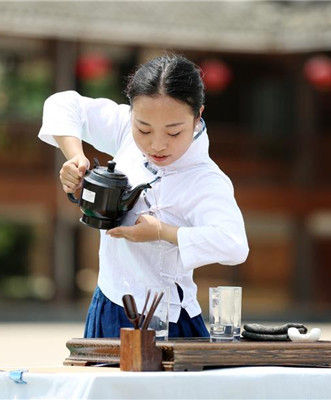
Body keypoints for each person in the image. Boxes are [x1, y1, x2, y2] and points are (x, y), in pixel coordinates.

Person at [38, 54, 249, 338]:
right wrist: (76, 158)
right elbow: (62, 103)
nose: (157, 144)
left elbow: (234, 245)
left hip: (165, 319)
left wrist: (162, 231)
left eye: (174, 132)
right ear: (132, 115)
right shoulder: (125, 131)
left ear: (198, 116)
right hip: (109, 299)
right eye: (144, 129)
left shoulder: (205, 178)